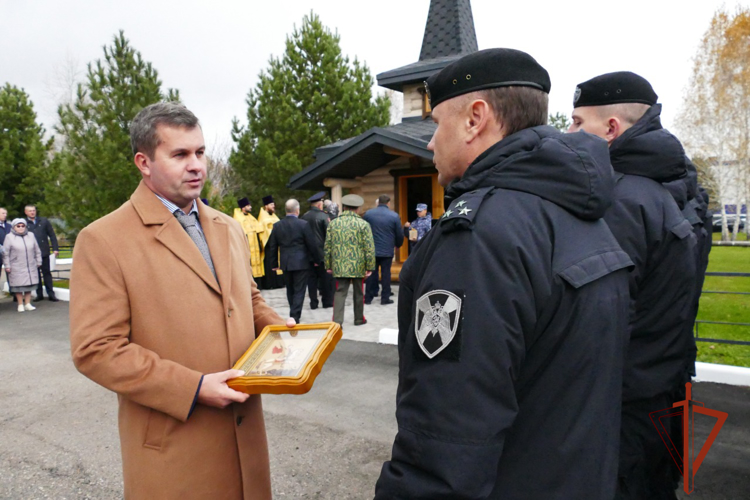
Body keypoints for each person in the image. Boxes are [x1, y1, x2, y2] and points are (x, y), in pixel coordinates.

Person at [375, 48, 633, 499]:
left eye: (438, 124)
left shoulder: (478, 237)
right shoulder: (581, 212)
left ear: (476, 119)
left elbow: (448, 438)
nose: (431, 143)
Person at [69, 102, 294, 499]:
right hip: (176, 444)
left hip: (245, 437)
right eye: (180, 154)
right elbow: (95, 349)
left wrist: (280, 329)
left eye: (201, 152)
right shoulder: (104, 239)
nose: (197, 165)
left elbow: (249, 298)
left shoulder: (226, 227)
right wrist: (192, 387)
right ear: (144, 162)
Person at [568, 71, 697, 499]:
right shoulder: (660, 188)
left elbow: (605, 317)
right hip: (661, 388)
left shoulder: (620, 201)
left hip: (625, 404)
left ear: (610, 130)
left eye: (576, 123)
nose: (568, 133)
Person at [266, 199, 322, 323]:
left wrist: (274, 264)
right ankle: (295, 316)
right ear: (297, 210)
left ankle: (293, 312)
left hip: (285, 262)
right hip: (301, 262)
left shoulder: (277, 225)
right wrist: (317, 260)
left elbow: (273, 246)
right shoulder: (303, 224)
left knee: (290, 289)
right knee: (299, 289)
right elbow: (311, 245)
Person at [325, 194, 375, 326]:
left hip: (339, 265)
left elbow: (328, 246)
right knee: (359, 292)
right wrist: (370, 267)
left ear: (344, 207)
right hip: (359, 265)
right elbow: (369, 247)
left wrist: (328, 265)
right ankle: (359, 319)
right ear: (357, 209)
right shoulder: (363, 224)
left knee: (340, 292)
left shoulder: (333, 224)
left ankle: (337, 321)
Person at [363, 194, 404, 305]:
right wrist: (398, 244)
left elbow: (363, 230)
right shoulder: (394, 216)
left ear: (378, 202)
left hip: (372, 249)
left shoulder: (368, 214)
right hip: (387, 250)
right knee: (386, 274)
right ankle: (385, 298)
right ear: (388, 203)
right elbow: (399, 234)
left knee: (371, 273)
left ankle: (368, 298)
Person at [301, 191, 333, 309]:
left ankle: (313, 303)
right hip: (322, 254)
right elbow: (329, 236)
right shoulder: (324, 216)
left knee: (312, 280)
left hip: (308, 254)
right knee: (325, 279)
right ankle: (327, 301)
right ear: (319, 204)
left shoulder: (304, 216)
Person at [3, 218, 42, 312]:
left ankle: (28, 303)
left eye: (23, 226)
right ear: (14, 227)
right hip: (16, 265)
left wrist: (38, 261)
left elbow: (37, 250)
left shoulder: (31, 235)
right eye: (18, 226)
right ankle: (20, 304)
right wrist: (7, 265)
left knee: (29, 285)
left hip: (30, 264)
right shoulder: (9, 237)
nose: (21, 228)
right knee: (18, 286)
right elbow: (6, 253)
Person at [24, 204, 59, 301]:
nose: (32, 212)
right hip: (31, 253)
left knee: (46, 273)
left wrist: (55, 248)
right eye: (30, 211)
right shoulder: (24, 223)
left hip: (44, 251)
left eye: (34, 210)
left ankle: (51, 293)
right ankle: (39, 294)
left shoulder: (43, 221)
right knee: (36, 274)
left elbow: (52, 235)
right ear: (26, 212)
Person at [233, 197, 264, 280]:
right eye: (248, 205)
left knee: (257, 263)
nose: (250, 207)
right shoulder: (238, 219)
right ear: (243, 208)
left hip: (256, 246)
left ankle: (259, 283)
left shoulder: (251, 217)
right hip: (247, 247)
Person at [258, 195, 284, 290]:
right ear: (266, 206)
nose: (273, 206)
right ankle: (271, 283)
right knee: (270, 262)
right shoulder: (263, 217)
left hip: (277, 244)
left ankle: (279, 282)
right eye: (271, 204)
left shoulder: (274, 216)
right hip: (269, 245)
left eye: (273, 204)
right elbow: (263, 231)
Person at [0, 207, 8, 287]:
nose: (5, 215)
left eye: (6, 213)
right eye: (3, 213)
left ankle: (15, 295)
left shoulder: (9, 226)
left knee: (11, 274)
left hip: (8, 254)